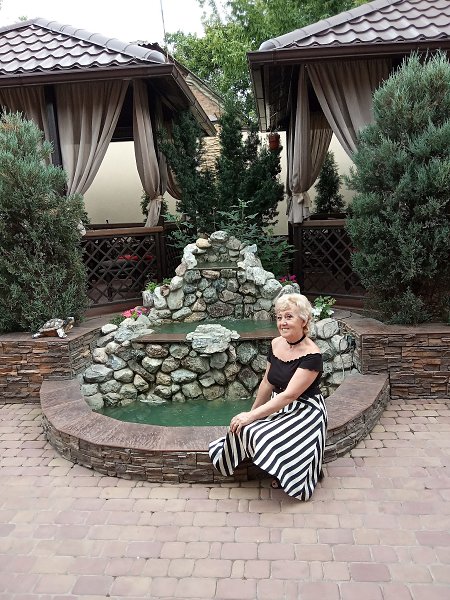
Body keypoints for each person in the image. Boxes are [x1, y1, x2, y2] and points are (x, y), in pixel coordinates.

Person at [209, 293, 327, 500]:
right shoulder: (276, 343)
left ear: (304, 320)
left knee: (263, 436)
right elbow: (267, 382)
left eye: (289, 317)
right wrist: (252, 413)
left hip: (305, 411)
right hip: (279, 404)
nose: (282, 322)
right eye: (279, 317)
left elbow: (289, 395)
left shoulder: (312, 355)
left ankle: (296, 474)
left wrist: (251, 417)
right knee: (243, 428)